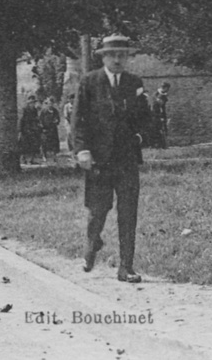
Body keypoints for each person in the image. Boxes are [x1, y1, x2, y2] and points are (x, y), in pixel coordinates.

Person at [70, 34, 154, 283]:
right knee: (98, 211)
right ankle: (92, 242)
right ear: (103, 57)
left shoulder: (134, 83)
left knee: (128, 212)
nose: (117, 59)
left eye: (122, 55)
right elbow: (78, 120)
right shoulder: (89, 82)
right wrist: (82, 150)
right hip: (98, 160)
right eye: (112, 55)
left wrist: (138, 138)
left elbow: (146, 120)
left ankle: (126, 267)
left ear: (127, 57)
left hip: (126, 159)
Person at [19, 95, 42, 165]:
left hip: (33, 129)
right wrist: (20, 130)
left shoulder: (34, 110)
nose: (32, 104)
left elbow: (36, 119)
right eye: (31, 102)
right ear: (28, 103)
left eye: (33, 102)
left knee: (33, 145)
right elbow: (21, 120)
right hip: (26, 129)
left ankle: (31, 159)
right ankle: (24, 159)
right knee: (25, 145)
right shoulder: (25, 109)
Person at [39, 98, 61, 163]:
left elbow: (58, 119)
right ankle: (44, 156)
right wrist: (42, 128)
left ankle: (54, 156)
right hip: (46, 129)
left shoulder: (55, 111)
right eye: (49, 103)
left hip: (53, 130)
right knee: (45, 143)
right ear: (47, 104)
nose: (50, 105)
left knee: (54, 143)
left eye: (51, 104)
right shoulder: (43, 111)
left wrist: (56, 121)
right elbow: (40, 120)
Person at [151, 83, 171, 149]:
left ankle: (163, 145)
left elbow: (163, 108)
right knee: (157, 130)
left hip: (161, 116)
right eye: (167, 89)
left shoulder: (163, 96)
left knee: (163, 129)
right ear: (165, 88)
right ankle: (157, 145)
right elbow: (155, 107)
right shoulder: (156, 95)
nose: (168, 90)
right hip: (156, 116)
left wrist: (164, 117)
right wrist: (159, 116)